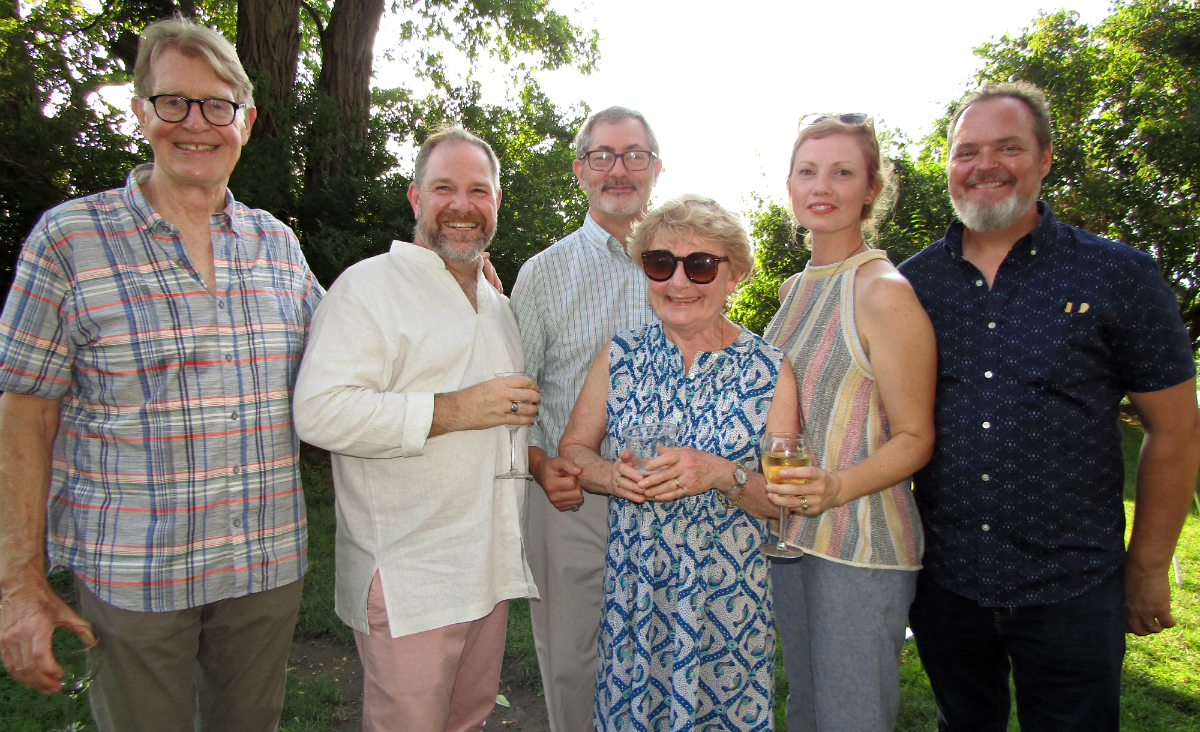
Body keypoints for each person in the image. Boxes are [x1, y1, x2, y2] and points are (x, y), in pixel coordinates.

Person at [0, 17, 323, 732]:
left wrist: (444, 277)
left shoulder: (277, 244)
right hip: (135, 575)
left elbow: (351, 357)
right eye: (174, 102)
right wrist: (17, 582)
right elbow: (25, 415)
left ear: (247, 120)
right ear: (141, 110)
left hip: (264, 565)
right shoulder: (69, 240)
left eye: (217, 105)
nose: (196, 124)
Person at [898, 82, 1200, 731]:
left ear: (1045, 159)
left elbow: (1174, 430)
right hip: (947, 585)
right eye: (967, 150)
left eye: (1008, 147)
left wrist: (1147, 570)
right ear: (949, 163)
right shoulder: (911, 284)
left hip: (1073, 591)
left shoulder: (1119, 275)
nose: (985, 165)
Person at [291, 126, 539, 731]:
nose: (462, 204)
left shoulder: (495, 302)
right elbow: (319, 411)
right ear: (415, 198)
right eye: (444, 188)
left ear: (497, 202)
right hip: (410, 576)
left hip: (488, 564)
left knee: (469, 719)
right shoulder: (368, 287)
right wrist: (457, 409)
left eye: (478, 190)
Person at [558, 194, 801, 731]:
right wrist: (608, 475)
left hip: (726, 597)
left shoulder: (769, 370)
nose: (679, 282)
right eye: (661, 263)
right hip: (636, 591)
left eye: (701, 265)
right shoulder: (620, 355)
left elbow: (783, 503)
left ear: (734, 274)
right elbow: (573, 450)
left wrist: (721, 474)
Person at [761, 113, 936, 732]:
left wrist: (835, 486)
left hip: (861, 548)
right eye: (807, 171)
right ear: (789, 185)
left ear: (871, 188)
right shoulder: (794, 289)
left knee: (851, 719)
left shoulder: (882, 290)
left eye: (842, 172)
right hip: (790, 539)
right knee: (806, 710)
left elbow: (917, 436)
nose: (822, 186)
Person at [510, 106, 664, 732]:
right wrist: (542, 466)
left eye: (634, 154)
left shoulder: (690, 261)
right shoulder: (544, 274)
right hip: (572, 502)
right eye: (602, 155)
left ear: (658, 167)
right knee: (576, 665)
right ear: (580, 171)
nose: (618, 168)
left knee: (665, 659)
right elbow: (512, 398)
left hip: (670, 497)